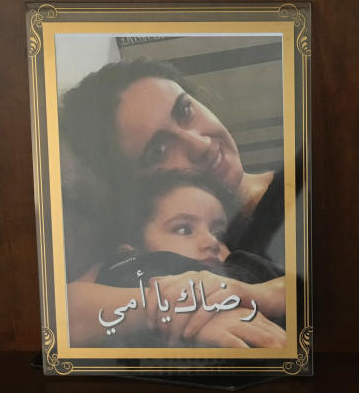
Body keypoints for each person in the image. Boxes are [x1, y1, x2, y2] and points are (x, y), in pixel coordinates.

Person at [58, 58, 288, 347]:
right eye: (160, 150)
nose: (201, 145)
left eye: (184, 110)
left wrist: (253, 295)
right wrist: (182, 307)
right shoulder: (148, 247)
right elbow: (61, 311)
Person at [90, 173, 287, 348]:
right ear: (132, 250)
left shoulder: (242, 264)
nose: (211, 242)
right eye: (184, 229)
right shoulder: (132, 268)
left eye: (219, 234)